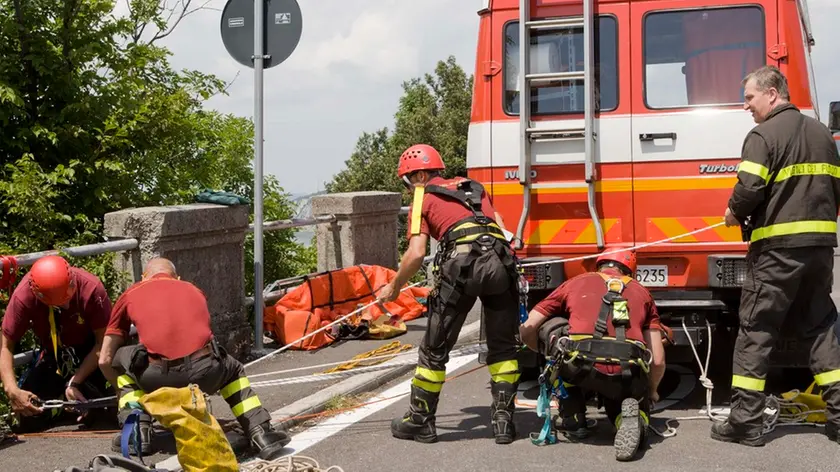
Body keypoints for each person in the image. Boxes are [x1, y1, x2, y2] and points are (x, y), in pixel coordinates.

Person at [718, 65, 840, 446]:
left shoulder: (762, 135)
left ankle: (746, 422)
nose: (746, 106)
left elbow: (749, 187)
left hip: (776, 254)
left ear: (772, 93)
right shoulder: (823, 134)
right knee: (822, 329)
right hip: (820, 251)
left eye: (750, 97)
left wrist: (733, 212)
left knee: (757, 330)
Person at [376, 143, 522, 444]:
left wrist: (394, 287)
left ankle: (420, 420)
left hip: (462, 268)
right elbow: (503, 231)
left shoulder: (422, 195)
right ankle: (504, 422)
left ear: (416, 176)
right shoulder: (475, 187)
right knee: (504, 349)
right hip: (502, 263)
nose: (408, 188)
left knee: (434, 349)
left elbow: (416, 254)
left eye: (407, 182)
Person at [98, 258, 290, 460]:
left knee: (121, 359)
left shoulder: (132, 292)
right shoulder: (193, 290)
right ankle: (261, 432)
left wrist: (121, 392)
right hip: (206, 373)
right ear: (178, 278)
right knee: (233, 370)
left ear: (144, 277)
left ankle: (137, 434)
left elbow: (104, 358)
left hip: (154, 377)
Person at [519, 250, 666, 461]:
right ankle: (628, 418)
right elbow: (658, 359)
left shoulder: (576, 282)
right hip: (625, 369)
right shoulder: (642, 292)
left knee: (557, 336)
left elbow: (528, 327)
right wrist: (652, 391)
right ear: (630, 272)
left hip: (579, 366)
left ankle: (574, 417)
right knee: (626, 391)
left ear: (598, 267)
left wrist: (546, 354)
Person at [0, 255, 115, 432]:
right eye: (61, 303)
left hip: (89, 350)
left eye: (68, 299)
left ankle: (82, 400)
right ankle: (57, 411)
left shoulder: (91, 288)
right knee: (29, 415)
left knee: (98, 412)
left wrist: (75, 382)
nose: (68, 305)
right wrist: (12, 390)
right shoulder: (23, 296)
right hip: (52, 353)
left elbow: (104, 343)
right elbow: (6, 346)